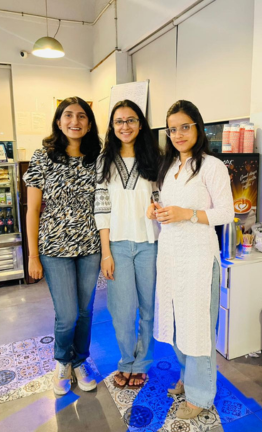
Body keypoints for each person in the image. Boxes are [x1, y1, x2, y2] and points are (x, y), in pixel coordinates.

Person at [147, 100, 234, 419]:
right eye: (172, 129)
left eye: (185, 127)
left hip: (198, 259)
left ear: (198, 127)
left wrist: (188, 214)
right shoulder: (169, 167)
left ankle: (200, 395)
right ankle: (187, 376)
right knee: (176, 321)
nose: (178, 134)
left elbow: (226, 213)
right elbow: (167, 206)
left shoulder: (212, 166)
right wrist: (156, 210)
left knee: (197, 327)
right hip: (171, 256)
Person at [24, 96, 102, 396]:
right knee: (67, 314)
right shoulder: (43, 156)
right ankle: (62, 361)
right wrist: (32, 255)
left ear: (89, 123)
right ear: (58, 122)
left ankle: (80, 360)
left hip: (90, 245)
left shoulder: (97, 158)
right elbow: (33, 209)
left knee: (85, 311)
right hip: (54, 248)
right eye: (68, 115)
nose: (75, 121)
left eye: (82, 116)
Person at [95, 99, 160, 389]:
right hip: (118, 245)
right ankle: (126, 360)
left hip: (150, 243)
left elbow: (161, 196)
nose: (125, 126)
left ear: (141, 124)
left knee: (148, 309)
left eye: (131, 120)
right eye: (119, 121)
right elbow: (101, 207)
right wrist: (105, 253)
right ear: (112, 126)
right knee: (121, 311)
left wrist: (158, 207)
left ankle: (141, 363)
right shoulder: (104, 161)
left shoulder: (155, 158)